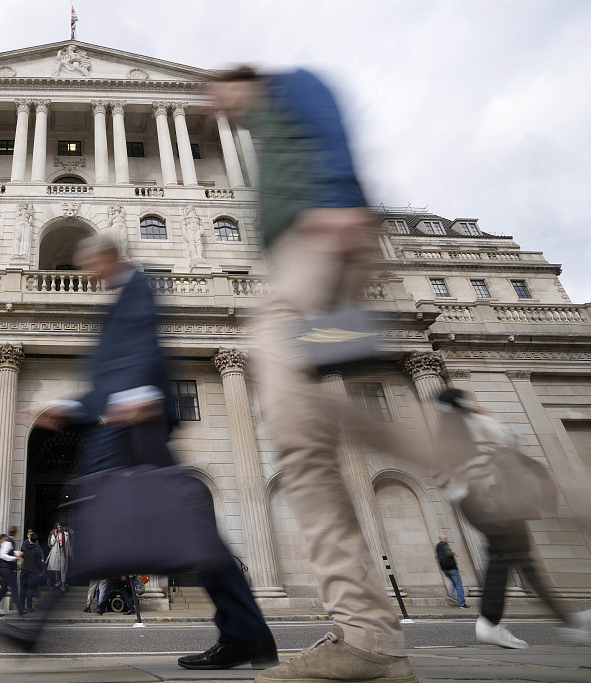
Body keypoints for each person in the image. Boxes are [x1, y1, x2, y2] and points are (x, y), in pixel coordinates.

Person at [211, 66, 417, 683]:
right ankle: (451, 454)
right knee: (306, 426)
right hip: (311, 265)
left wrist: (338, 204)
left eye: (219, 94)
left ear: (239, 82)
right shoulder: (260, 137)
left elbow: (329, 126)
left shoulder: (289, 88)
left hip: (315, 254)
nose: (215, 108)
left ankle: (368, 642)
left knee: (296, 433)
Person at [30, 234, 278, 670]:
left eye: (90, 266)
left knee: (96, 515)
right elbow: (109, 374)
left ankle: (32, 629)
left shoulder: (138, 288)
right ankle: (246, 633)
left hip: (134, 423)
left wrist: (139, 394)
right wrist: (70, 407)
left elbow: (145, 346)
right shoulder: (119, 298)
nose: (87, 276)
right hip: (121, 418)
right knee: (184, 532)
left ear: (107, 259)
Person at [435, 388, 591, 649]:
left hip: (470, 501)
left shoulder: (444, 432)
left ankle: (569, 621)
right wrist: (483, 414)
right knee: (504, 556)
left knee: (522, 558)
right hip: (495, 496)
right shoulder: (473, 421)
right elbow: (509, 440)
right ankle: (489, 621)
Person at [0, 526, 23, 617]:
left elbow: (6, 553)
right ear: (16, 533)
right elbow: (2, 555)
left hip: (5, 570)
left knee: (3, 589)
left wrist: (16, 554)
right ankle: (21, 610)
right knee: (14, 589)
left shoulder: (8, 542)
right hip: (7, 570)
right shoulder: (8, 542)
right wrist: (14, 558)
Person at [435, 535, 469, 609]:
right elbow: (449, 554)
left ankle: (450, 594)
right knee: (459, 585)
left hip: (445, 569)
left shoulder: (438, 546)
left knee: (454, 583)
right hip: (452, 568)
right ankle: (462, 604)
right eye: (447, 538)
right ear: (444, 539)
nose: (448, 539)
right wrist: (453, 552)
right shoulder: (445, 545)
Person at [20, 529, 44, 613]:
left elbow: (20, 558)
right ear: (36, 541)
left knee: (23, 589)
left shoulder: (24, 548)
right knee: (30, 590)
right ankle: (29, 606)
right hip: (32, 572)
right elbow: (39, 563)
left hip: (23, 571)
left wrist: (20, 567)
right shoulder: (37, 550)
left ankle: (22, 606)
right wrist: (40, 571)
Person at [46, 522, 70, 592]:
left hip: (63, 553)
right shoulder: (53, 534)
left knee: (62, 569)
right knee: (56, 568)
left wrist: (70, 553)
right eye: (58, 527)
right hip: (56, 553)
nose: (59, 528)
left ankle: (63, 584)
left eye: (60, 527)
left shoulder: (65, 534)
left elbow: (68, 544)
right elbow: (52, 543)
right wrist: (55, 535)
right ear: (56, 528)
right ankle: (57, 581)